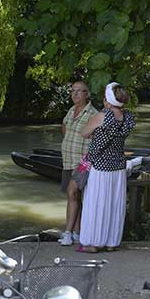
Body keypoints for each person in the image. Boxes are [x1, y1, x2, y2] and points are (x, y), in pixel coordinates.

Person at [77, 82, 136, 253]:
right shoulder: (128, 117)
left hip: (100, 167)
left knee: (96, 203)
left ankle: (93, 243)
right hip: (118, 166)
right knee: (114, 204)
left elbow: (84, 133)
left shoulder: (103, 116)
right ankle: (111, 242)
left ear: (107, 100)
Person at [59, 80, 98, 246]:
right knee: (73, 196)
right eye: (73, 91)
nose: (74, 94)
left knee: (72, 193)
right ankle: (76, 232)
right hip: (67, 161)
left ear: (87, 94)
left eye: (79, 91)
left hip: (82, 162)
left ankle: (67, 233)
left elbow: (97, 140)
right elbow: (64, 126)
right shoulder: (71, 110)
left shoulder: (94, 114)